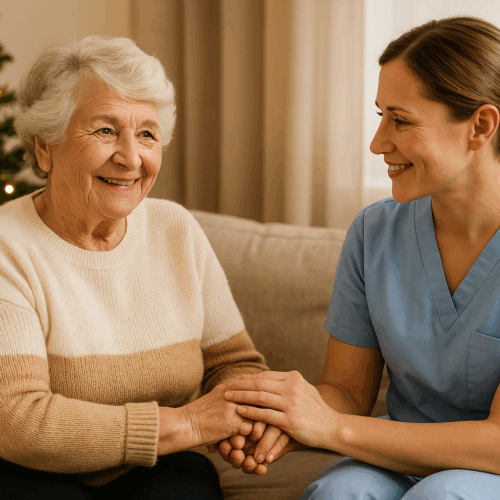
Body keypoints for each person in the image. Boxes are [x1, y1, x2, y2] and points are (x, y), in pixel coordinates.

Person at [222, 16, 500, 499]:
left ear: (480, 125)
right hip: (393, 455)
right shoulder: (374, 233)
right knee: (339, 494)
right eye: (380, 116)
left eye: (402, 120)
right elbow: (347, 394)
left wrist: (330, 429)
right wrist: (285, 415)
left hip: (486, 468)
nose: (378, 144)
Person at [0, 34, 280, 499]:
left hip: (164, 468)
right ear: (45, 147)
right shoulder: (9, 245)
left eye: (147, 134)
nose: (132, 158)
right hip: (30, 472)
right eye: (105, 130)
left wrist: (244, 415)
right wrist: (188, 422)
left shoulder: (175, 228)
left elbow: (234, 364)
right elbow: (18, 419)